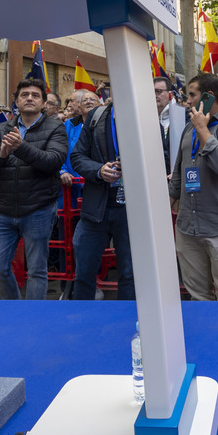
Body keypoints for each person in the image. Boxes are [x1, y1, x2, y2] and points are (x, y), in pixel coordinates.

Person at [0, 78, 67, 300]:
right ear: (16, 101)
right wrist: (1, 154)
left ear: (44, 102)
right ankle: (15, 307)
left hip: (38, 208)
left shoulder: (55, 127)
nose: (29, 98)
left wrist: (21, 147)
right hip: (3, 210)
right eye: (24, 95)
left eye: (35, 95)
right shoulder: (2, 128)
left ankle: (34, 318)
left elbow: (53, 161)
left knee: (36, 270)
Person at [169, 74, 218, 301]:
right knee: (197, 295)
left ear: (208, 96)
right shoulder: (188, 129)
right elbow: (179, 172)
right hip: (188, 228)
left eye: (192, 95)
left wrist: (203, 129)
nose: (187, 102)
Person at [70, 97, 135, 301]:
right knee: (84, 273)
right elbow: (77, 157)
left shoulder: (147, 119)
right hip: (95, 209)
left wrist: (133, 168)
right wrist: (98, 170)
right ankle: (83, 319)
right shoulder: (96, 117)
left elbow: (163, 158)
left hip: (132, 212)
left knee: (131, 274)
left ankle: (129, 322)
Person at [155, 75, 187, 176]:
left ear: (171, 94)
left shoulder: (183, 117)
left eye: (158, 91)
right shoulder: (143, 118)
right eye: (151, 92)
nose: (154, 95)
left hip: (177, 178)